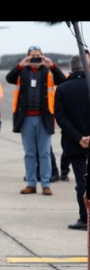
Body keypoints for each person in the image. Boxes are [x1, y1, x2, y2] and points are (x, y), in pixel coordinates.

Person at [5, 45, 66, 196]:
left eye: (38, 55)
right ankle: (31, 183)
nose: (35, 58)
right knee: (29, 153)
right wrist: (21, 64)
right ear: (27, 57)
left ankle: (45, 184)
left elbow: (62, 80)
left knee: (44, 152)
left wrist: (51, 64)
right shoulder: (22, 72)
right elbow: (9, 78)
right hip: (26, 118)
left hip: (44, 117)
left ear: (43, 56)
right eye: (32, 56)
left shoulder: (48, 71)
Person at [54, 54, 90, 231]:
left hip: (75, 142)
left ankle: (85, 217)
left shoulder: (62, 88)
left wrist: (79, 137)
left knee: (81, 180)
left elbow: (60, 117)